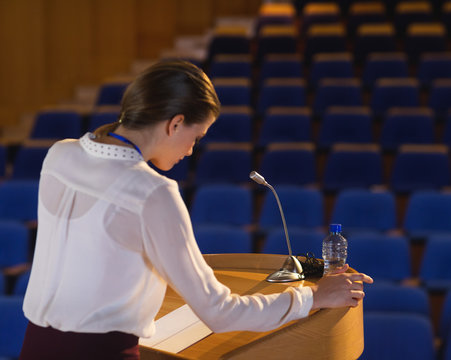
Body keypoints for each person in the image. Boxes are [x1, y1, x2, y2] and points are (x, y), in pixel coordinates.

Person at [19, 60, 373, 359]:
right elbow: (220, 312)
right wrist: (312, 296)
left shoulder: (59, 154)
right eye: (196, 137)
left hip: (34, 345)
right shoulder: (152, 192)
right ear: (174, 123)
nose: (190, 151)